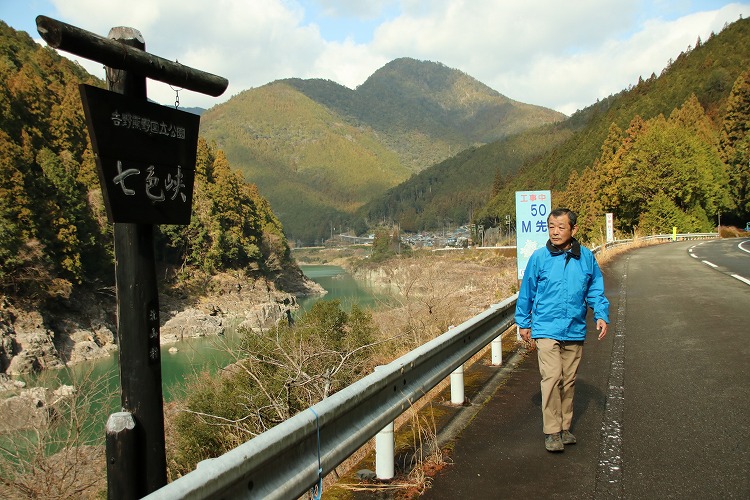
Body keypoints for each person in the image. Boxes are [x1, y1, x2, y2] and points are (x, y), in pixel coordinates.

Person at [515, 208, 609, 452]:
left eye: (561, 227)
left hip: (575, 327)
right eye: (551, 227)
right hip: (546, 327)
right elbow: (527, 291)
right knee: (552, 377)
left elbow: (595, 290)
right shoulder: (539, 258)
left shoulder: (586, 258)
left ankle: (565, 427)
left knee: (568, 381)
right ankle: (552, 431)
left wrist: (600, 315)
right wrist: (523, 322)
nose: (555, 232)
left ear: (573, 229)